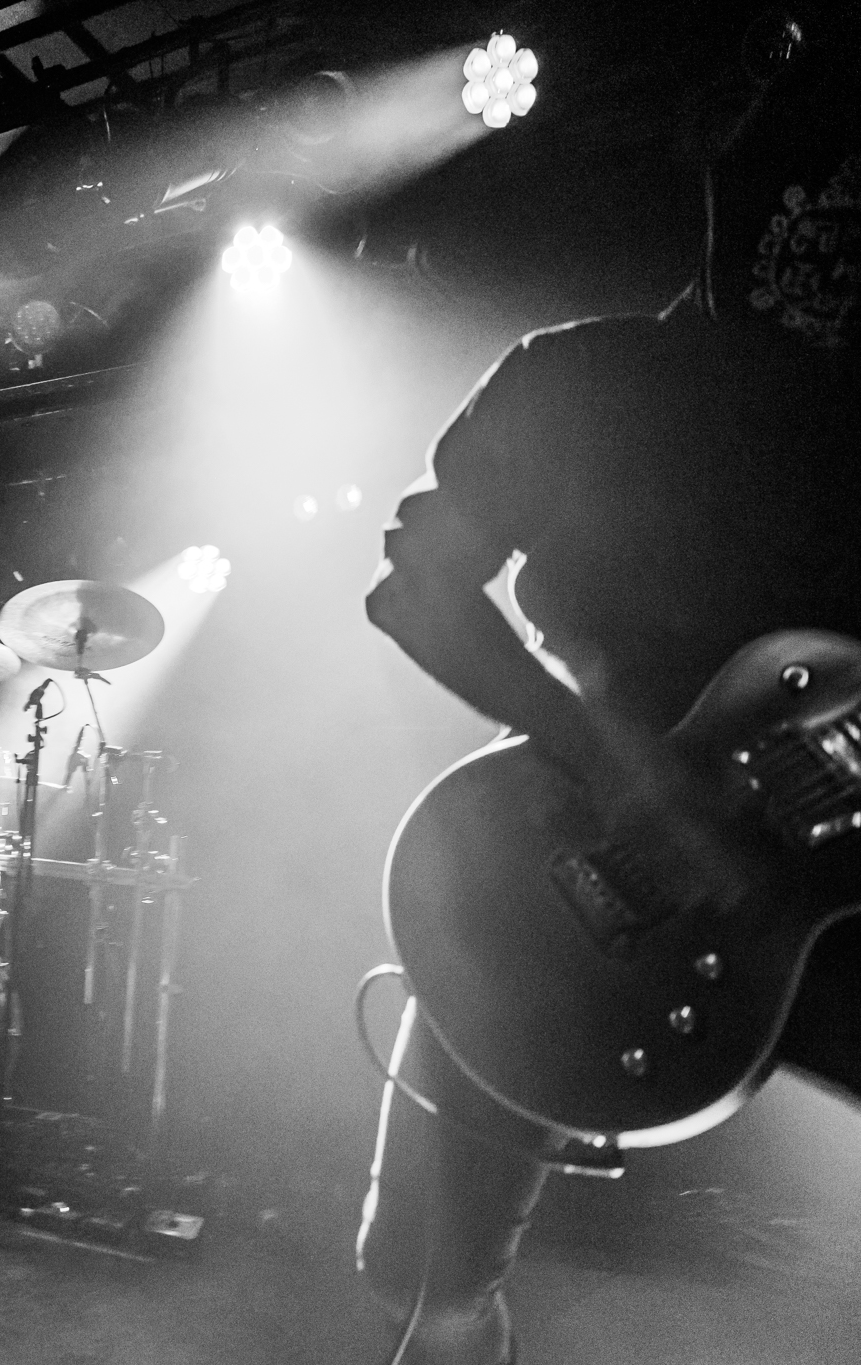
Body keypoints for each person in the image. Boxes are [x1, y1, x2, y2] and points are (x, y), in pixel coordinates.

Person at [357, 28, 860, 1365]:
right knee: (427, 1286)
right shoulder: (583, 380)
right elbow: (416, 590)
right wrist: (608, 760)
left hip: (821, 895)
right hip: (566, 868)